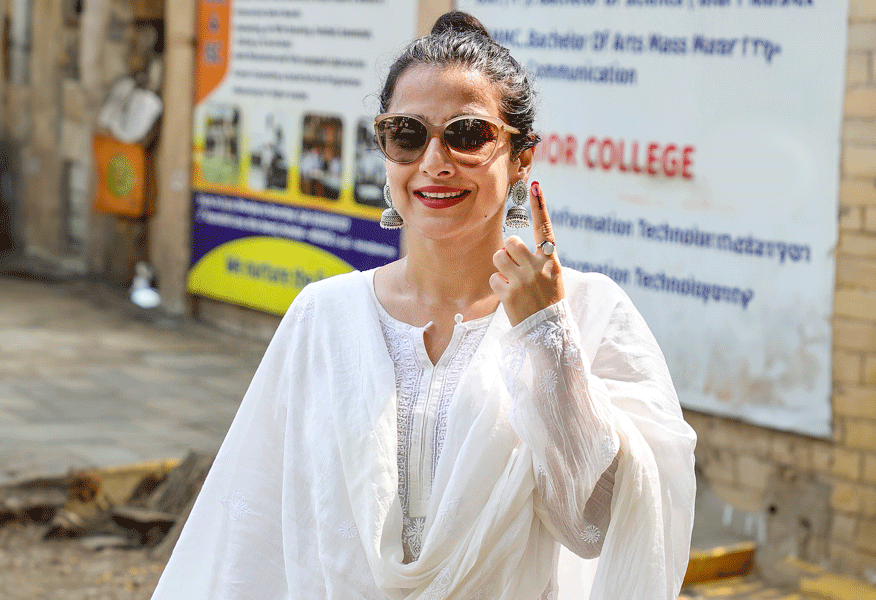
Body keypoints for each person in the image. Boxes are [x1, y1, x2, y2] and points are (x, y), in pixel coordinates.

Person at [150, 11, 696, 600]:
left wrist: (547, 338)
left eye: (467, 134)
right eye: (407, 135)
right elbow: (251, 531)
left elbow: (600, 524)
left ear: (522, 157)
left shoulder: (588, 313)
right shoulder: (323, 318)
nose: (434, 161)